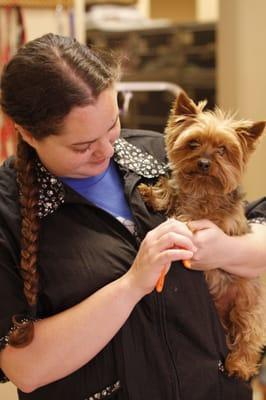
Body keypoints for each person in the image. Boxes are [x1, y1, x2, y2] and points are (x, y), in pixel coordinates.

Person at [0, 33, 265, 400]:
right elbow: (24, 369)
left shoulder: (157, 154)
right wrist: (132, 284)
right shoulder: (7, 210)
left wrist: (225, 251)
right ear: (28, 134)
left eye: (111, 126)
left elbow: (256, 226)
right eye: (82, 145)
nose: (107, 150)